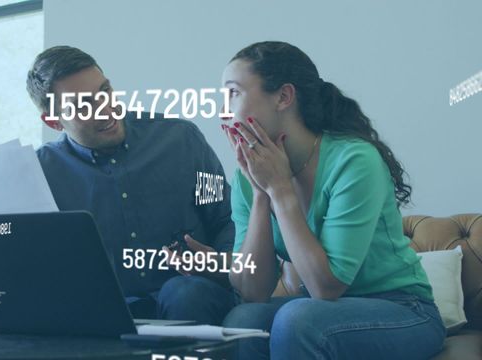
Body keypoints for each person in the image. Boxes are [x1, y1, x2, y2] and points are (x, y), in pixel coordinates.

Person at [219, 41, 446, 359]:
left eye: (234, 93)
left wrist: (281, 191)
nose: (224, 110)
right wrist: (260, 193)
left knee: (299, 320)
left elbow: (325, 288)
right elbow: (252, 291)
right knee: (244, 321)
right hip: (324, 311)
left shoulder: (354, 160)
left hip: (402, 309)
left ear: (283, 97)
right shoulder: (249, 174)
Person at [25, 45, 235, 325]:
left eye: (104, 92)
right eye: (83, 106)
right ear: (53, 121)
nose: (105, 109)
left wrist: (219, 265)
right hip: (102, 314)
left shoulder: (180, 141)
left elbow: (225, 219)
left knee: (182, 292)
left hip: (191, 297)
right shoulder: (39, 173)